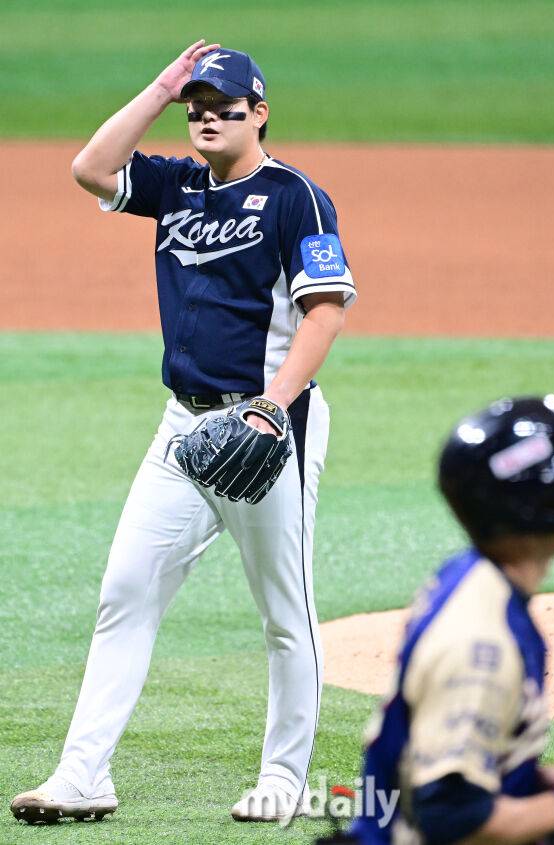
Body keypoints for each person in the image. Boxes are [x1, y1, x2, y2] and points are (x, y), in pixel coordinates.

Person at [12, 40, 356, 826]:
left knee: (283, 608)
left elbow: (325, 307)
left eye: (222, 107)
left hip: (271, 425)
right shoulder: (174, 185)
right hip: (182, 429)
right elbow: (92, 168)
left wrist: (274, 404)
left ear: (258, 113)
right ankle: (82, 775)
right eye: (195, 107)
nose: (205, 117)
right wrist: (160, 86)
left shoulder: (296, 196)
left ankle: (283, 776)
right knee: (125, 592)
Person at [336, 395, 554, 845]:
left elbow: (433, 760)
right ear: (534, 502)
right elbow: (449, 816)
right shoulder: (481, 642)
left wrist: (535, 782)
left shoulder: (473, 576)